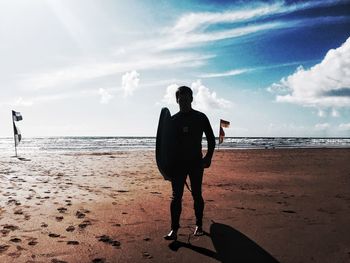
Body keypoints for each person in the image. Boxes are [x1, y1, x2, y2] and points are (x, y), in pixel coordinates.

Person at [164, 86, 216, 240]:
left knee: (197, 194)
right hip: (178, 165)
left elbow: (211, 139)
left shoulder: (200, 117)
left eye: (187, 99)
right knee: (176, 197)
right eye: (181, 100)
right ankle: (174, 229)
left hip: (195, 163)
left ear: (192, 99)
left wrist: (208, 158)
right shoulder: (173, 120)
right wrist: (166, 167)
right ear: (177, 100)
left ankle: (199, 225)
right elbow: (166, 145)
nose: (184, 102)